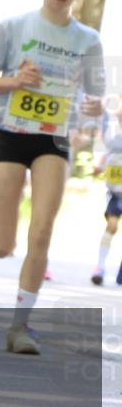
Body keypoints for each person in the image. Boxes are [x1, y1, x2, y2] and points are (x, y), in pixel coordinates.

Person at [0, 0, 104, 353]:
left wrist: (91, 113)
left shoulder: (88, 40)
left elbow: (95, 98)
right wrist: (14, 82)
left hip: (55, 140)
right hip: (11, 132)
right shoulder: (13, 27)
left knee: (41, 231)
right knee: (5, 242)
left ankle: (20, 327)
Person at [93, 108, 122, 286]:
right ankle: (100, 267)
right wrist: (99, 165)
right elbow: (105, 151)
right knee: (111, 226)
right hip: (115, 190)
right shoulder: (112, 132)